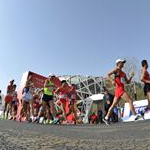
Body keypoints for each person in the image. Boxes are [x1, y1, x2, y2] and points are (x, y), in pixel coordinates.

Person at [103, 59, 142, 125]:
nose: (123, 64)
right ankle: (135, 116)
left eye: (123, 63)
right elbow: (107, 75)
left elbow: (127, 82)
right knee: (130, 101)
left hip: (120, 90)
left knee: (113, 105)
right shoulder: (116, 70)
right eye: (122, 62)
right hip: (119, 90)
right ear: (118, 63)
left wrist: (131, 76)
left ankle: (106, 118)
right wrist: (112, 80)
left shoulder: (123, 73)